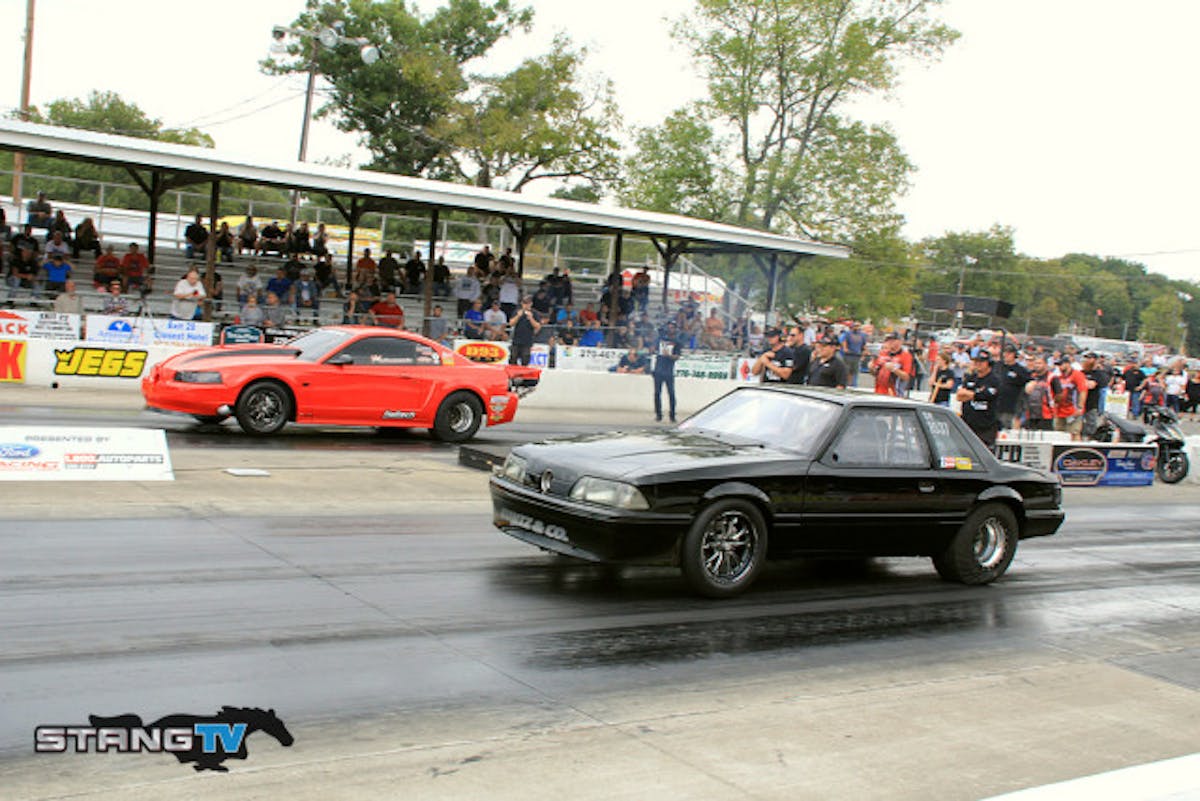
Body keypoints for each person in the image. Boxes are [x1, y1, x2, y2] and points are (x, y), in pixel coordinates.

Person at [956, 352, 1001, 446]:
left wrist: (971, 394)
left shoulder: (994, 380)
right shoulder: (971, 378)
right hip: (968, 424)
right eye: (976, 361)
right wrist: (975, 394)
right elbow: (959, 396)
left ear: (988, 363)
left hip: (986, 426)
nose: (978, 364)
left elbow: (986, 395)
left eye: (981, 362)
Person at [995, 345, 1032, 430]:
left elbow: (1030, 381)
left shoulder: (1020, 370)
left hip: (1010, 406)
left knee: (1006, 429)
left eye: (1009, 353)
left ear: (1014, 355)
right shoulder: (998, 366)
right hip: (996, 404)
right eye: (1005, 352)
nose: (1006, 355)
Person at [652, 322, 683, 422]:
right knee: (657, 393)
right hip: (658, 369)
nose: (670, 330)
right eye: (668, 327)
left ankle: (672, 415)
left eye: (672, 328)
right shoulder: (660, 339)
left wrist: (669, 355)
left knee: (671, 394)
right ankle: (658, 414)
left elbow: (677, 356)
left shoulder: (677, 342)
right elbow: (653, 349)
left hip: (668, 370)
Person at [1054, 356, 1088, 440]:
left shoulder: (1077, 375)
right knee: (1059, 433)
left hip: (1073, 409)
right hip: (1060, 409)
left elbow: (1083, 391)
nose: (1060, 367)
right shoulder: (1059, 376)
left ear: (1068, 364)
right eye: (1058, 365)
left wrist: (1080, 407)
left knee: (1074, 432)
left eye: (1061, 364)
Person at [1024, 356, 1062, 432]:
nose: (1037, 365)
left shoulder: (1052, 377)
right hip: (1030, 413)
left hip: (1046, 414)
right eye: (1035, 363)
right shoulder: (1030, 376)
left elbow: (1059, 395)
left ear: (1045, 364)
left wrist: (1053, 404)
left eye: (1039, 363)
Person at [1080, 351, 1111, 438]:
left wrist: (1084, 383)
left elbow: (1092, 385)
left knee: (1091, 425)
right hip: (1080, 404)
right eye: (1086, 359)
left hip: (1091, 403)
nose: (1086, 361)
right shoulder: (1081, 372)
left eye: (1089, 359)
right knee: (1078, 426)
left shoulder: (1099, 374)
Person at [509, 296, 541, 366]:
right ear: (522, 303)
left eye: (528, 303)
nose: (526, 305)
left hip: (527, 341)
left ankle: (523, 375)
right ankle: (513, 374)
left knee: (525, 359)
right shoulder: (517, 311)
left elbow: (538, 326)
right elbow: (511, 323)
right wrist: (518, 316)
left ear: (531, 304)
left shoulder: (534, 313)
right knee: (513, 358)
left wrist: (531, 318)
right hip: (516, 340)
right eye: (524, 303)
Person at [838, 322, 868, 386]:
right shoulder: (847, 334)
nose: (856, 327)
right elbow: (844, 342)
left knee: (855, 372)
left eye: (858, 326)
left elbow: (864, 345)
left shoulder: (862, 335)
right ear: (852, 326)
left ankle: (854, 385)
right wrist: (845, 348)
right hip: (848, 356)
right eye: (855, 326)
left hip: (857, 356)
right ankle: (846, 385)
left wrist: (864, 353)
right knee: (847, 371)